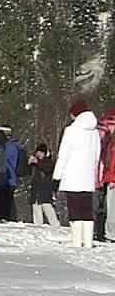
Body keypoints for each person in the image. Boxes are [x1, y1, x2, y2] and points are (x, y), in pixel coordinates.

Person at [53, 99, 102, 248]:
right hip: (87, 176)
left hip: (72, 175)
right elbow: (97, 155)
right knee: (87, 209)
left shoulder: (71, 131)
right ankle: (87, 242)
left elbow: (64, 156)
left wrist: (57, 176)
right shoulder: (94, 132)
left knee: (74, 208)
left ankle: (76, 241)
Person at [27, 143, 60, 226]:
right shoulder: (34, 164)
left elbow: (47, 169)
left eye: (41, 152)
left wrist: (37, 162)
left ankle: (56, 225)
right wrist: (29, 163)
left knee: (48, 208)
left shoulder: (48, 161)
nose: (39, 154)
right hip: (35, 191)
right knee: (36, 209)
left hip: (45, 190)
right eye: (38, 152)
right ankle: (38, 226)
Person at [0, 126, 24, 222]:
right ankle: (9, 218)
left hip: (8, 177)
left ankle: (7, 218)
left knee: (5, 199)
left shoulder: (8, 146)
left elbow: (4, 161)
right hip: (12, 177)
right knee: (9, 199)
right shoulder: (15, 145)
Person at [98, 109, 115, 242]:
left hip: (112, 178)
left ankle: (111, 234)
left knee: (112, 207)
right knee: (109, 207)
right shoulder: (109, 141)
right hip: (108, 177)